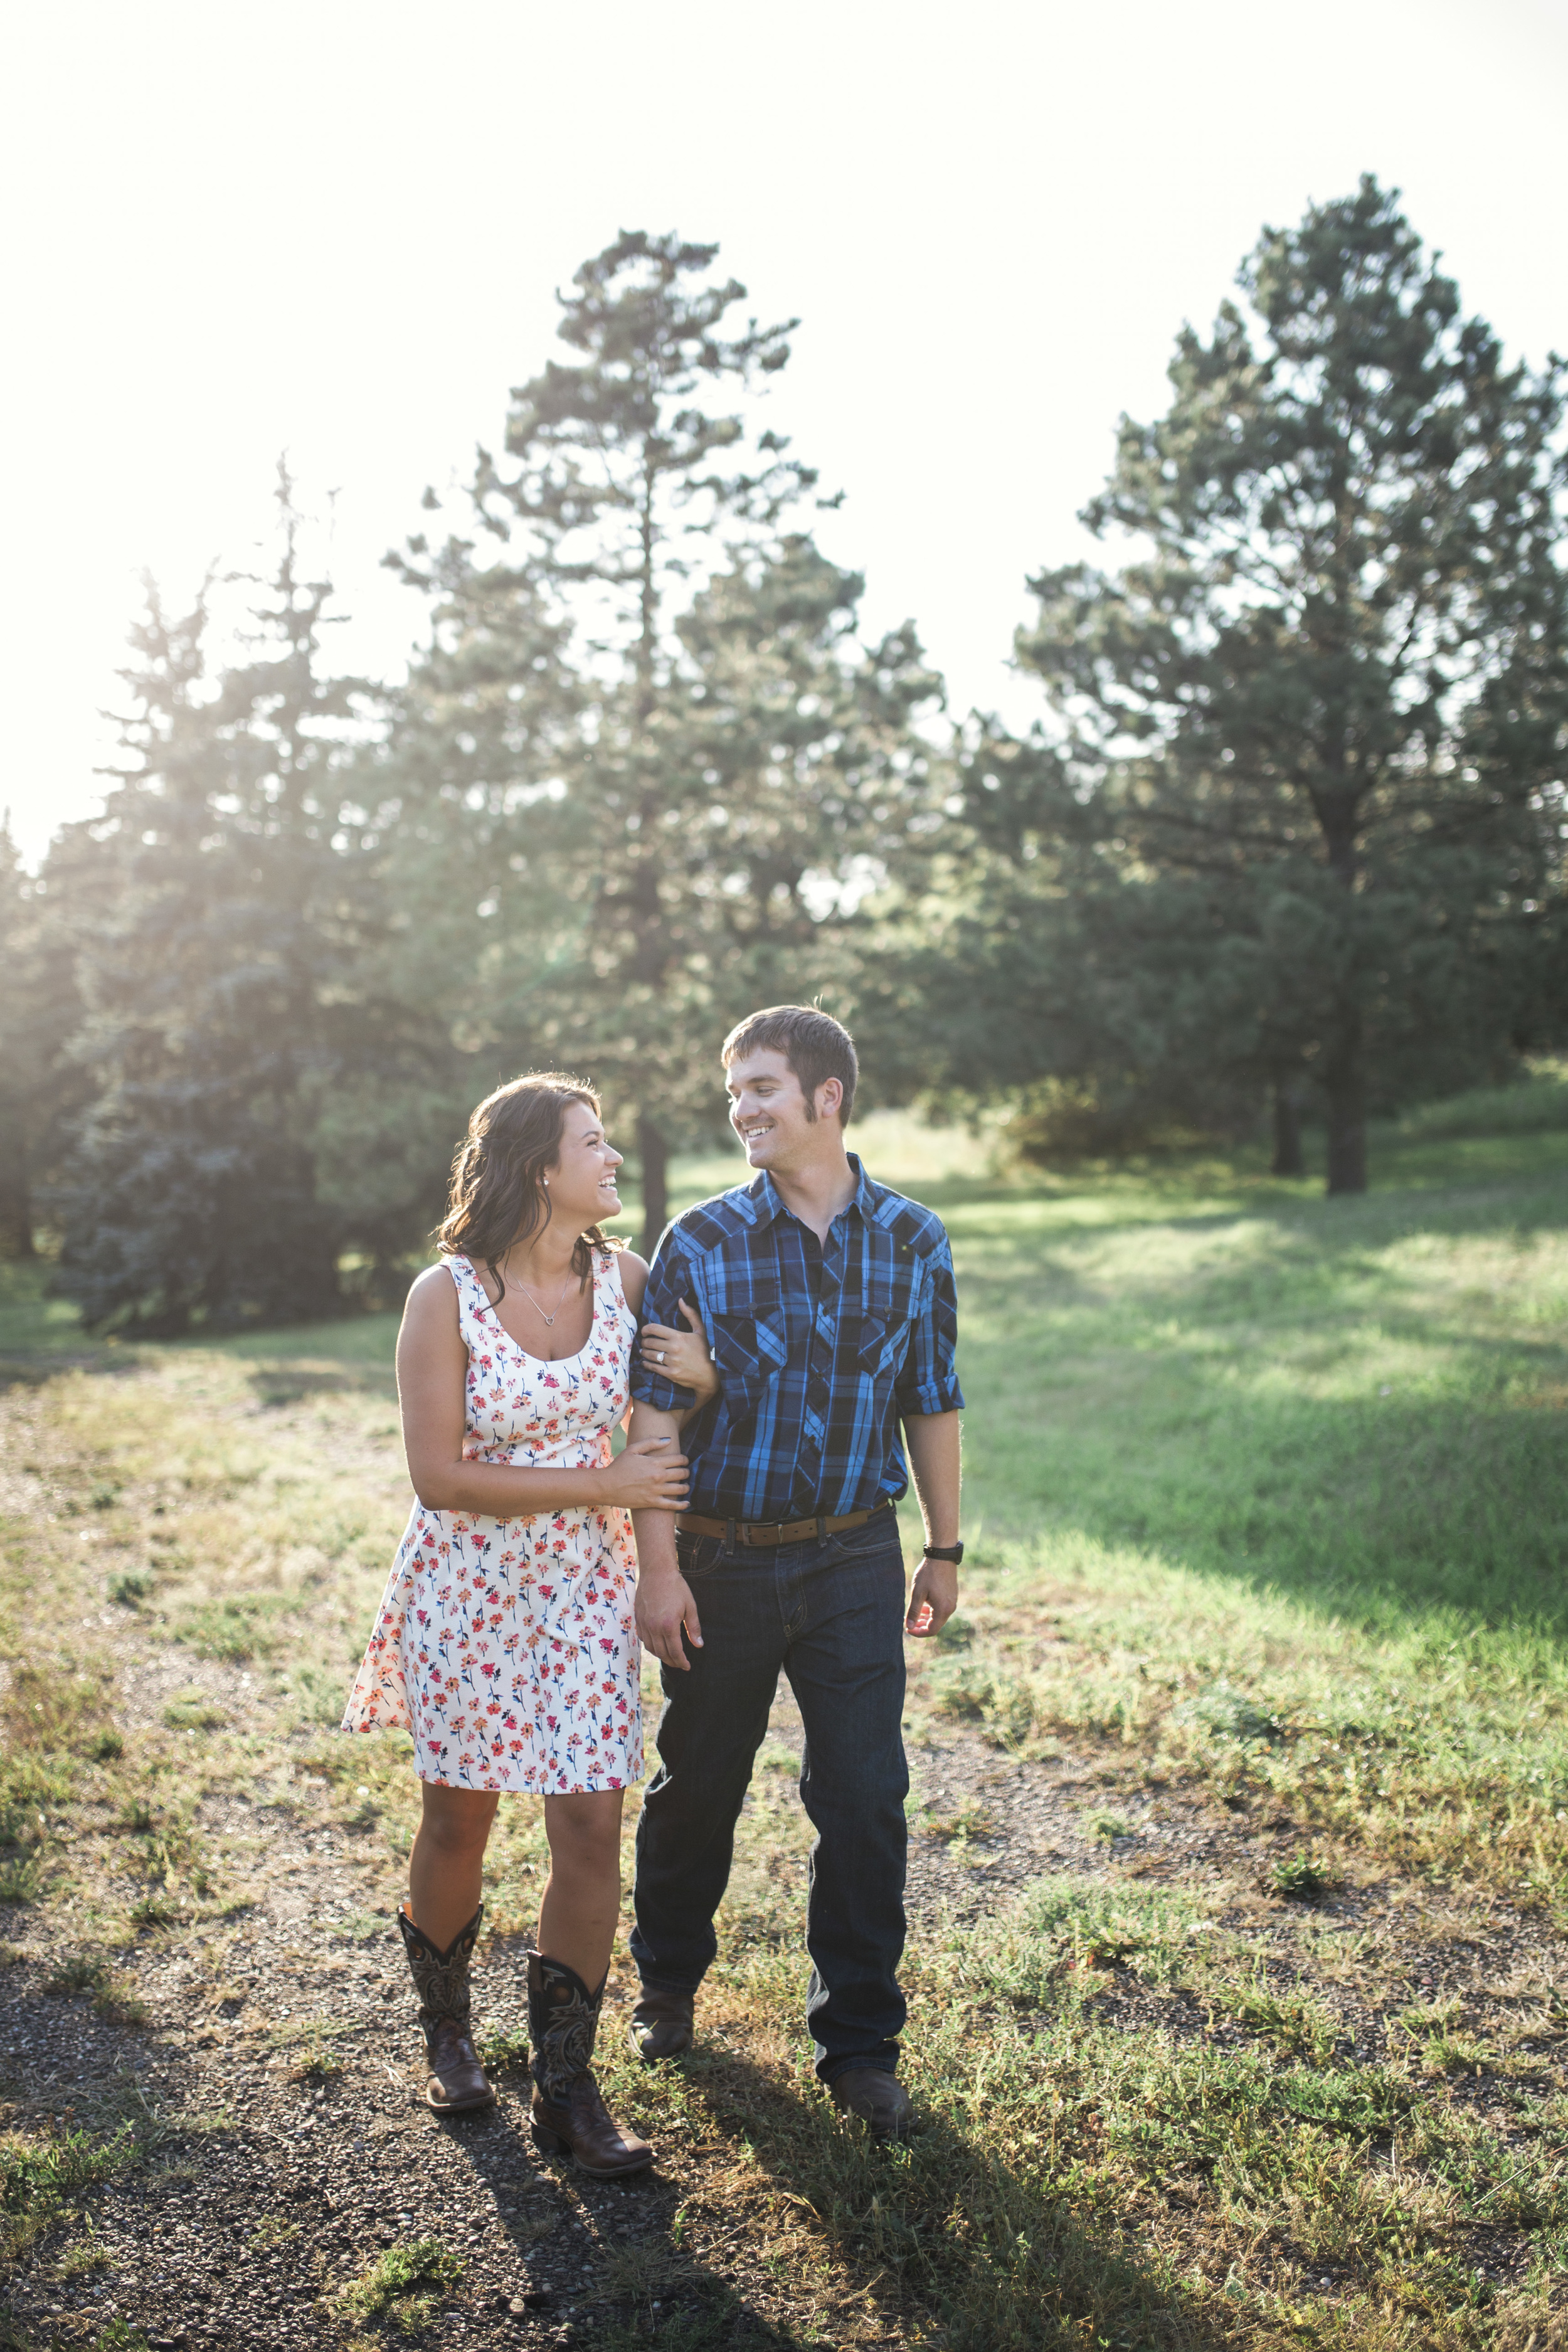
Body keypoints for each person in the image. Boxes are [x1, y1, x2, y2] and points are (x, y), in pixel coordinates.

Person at [342, 1073, 716, 2175]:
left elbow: (668, 1430)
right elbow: (440, 1474)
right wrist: (599, 1479)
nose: (611, 1159)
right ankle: (448, 2029)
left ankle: (565, 2083)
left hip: (587, 1591)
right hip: (467, 1585)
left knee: (592, 1825)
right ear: (538, 1168)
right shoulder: (443, 1296)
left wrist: (710, 1375)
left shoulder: (633, 1276)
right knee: (461, 1820)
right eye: (592, 1143)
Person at [626, 1005, 963, 2139]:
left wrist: (945, 1544)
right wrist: (659, 1573)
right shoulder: (701, 1242)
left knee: (866, 1797)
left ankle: (861, 2043)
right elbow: (655, 1422)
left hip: (858, 1553)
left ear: (828, 1096)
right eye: (735, 1092)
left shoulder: (914, 1241)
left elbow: (933, 1393)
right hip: (722, 1557)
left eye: (763, 1086)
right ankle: (667, 1982)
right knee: (698, 1783)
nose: (743, 1109)